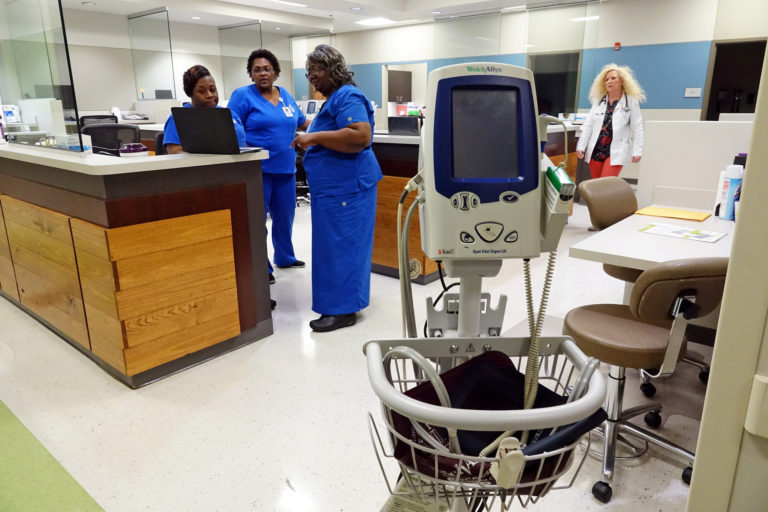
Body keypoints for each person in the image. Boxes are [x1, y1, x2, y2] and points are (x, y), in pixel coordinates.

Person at [291, 44, 383, 333]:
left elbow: (360, 135)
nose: (312, 76)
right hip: (336, 189)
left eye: (317, 70)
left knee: (343, 247)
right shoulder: (335, 99)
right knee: (334, 247)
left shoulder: (348, 95)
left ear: (333, 69)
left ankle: (343, 310)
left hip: (347, 189)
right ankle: (341, 303)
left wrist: (313, 138)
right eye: (309, 71)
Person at [228, 49, 311, 284]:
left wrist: (324, 126)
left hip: (286, 169)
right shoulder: (242, 96)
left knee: (285, 217)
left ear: (275, 72)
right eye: (257, 70)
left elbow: (301, 121)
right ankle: (261, 267)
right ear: (251, 74)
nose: (262, 73)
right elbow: (232, 127)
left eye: (267, 69)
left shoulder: (284, 94)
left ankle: (284, 256)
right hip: (258, 170)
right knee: (258, 222)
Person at [576, 63, 645, 179]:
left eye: (613, 78)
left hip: (616, 150)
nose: (609, 81)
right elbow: (588, 125)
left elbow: (637, 128)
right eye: (606, 79)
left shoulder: (631, 101)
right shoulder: (599, 101)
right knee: (596, 185)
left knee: (606, 184)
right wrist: (581, 146)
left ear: (622, 82)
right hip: (596, 150)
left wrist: (637, 151)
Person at [162, 65, 246, 154]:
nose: (210, 95)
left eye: (213, 90)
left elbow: (243, 146)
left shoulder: (229, 114)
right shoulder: (177, 118)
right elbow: (175, 152)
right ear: (190, 93)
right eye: (202, 91)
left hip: (237, 165)